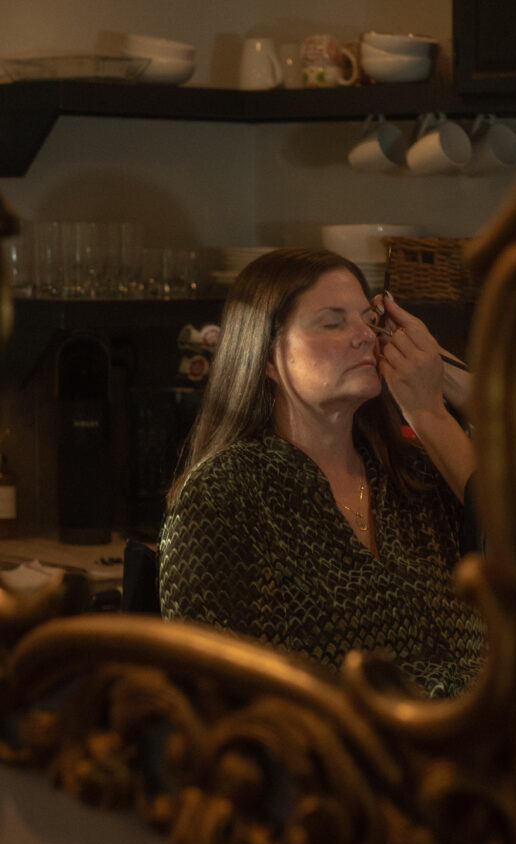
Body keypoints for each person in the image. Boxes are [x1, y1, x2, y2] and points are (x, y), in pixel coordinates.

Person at [159, 248, 486, 698]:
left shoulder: (418, 474)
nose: (364, 337)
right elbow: (219, 693)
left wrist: (443, 384)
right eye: (332, 322)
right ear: (269, 359)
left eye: (369, 318)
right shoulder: (226, 496)